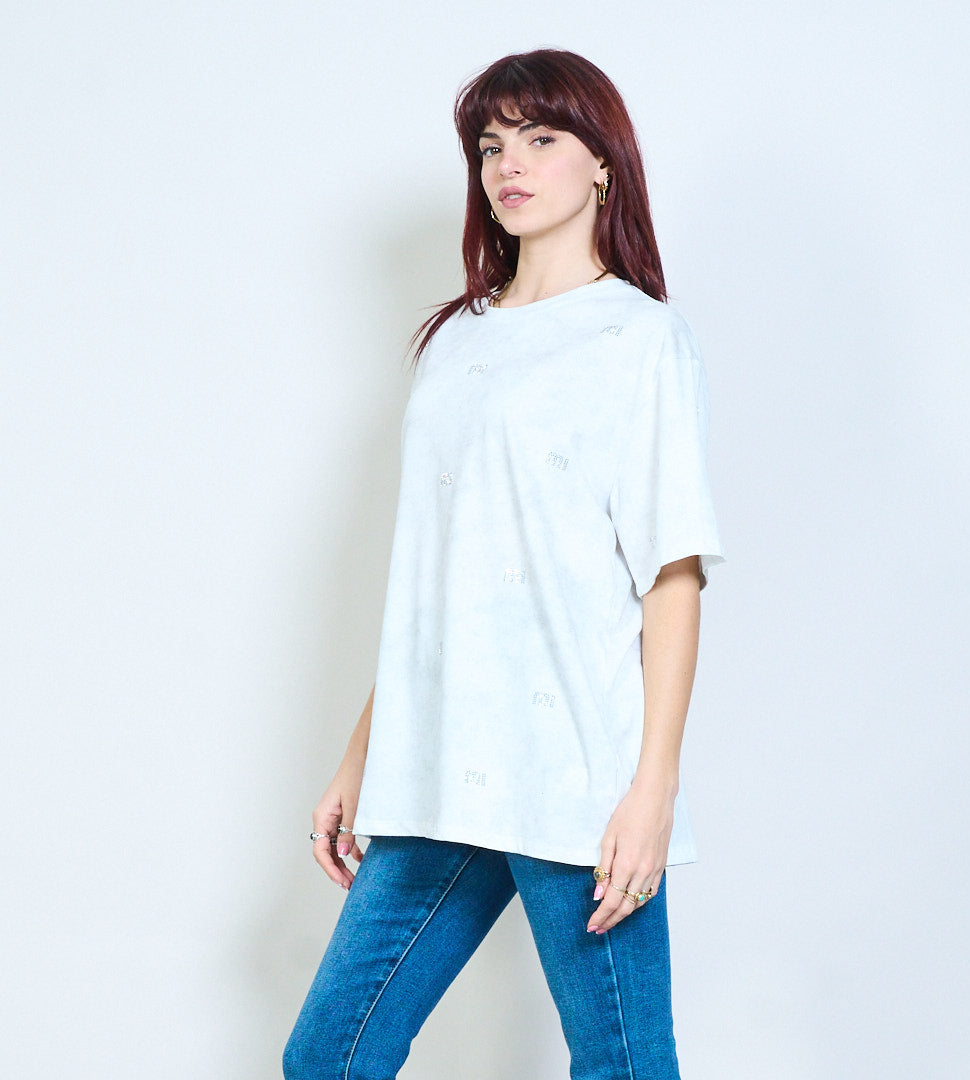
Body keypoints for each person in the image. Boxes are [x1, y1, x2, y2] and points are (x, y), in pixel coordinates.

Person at [283, 48, 724, 1080]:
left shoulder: (640, 339)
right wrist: (363, 753)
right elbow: (444, 576)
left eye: (540, 137)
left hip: (576, 776)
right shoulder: (454, 341)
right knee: (330, 1058)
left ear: (603, 161)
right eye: (489, 146)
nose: (508, 165)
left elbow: (673, 575)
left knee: (623, 1067)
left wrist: (651, 790)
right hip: (438, 766)